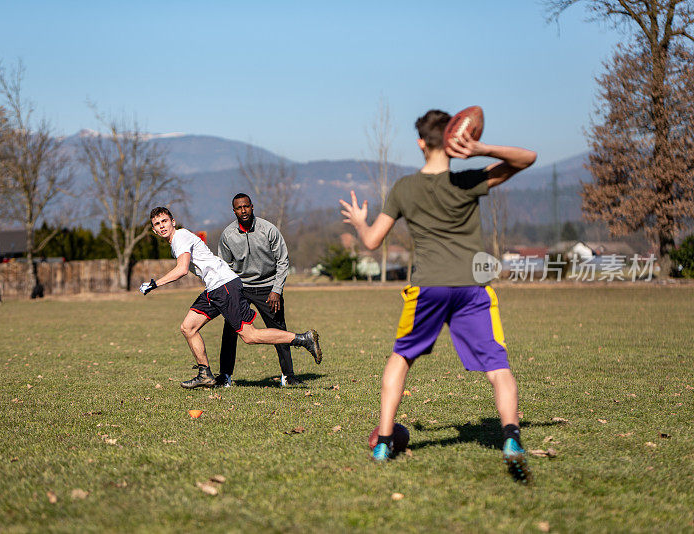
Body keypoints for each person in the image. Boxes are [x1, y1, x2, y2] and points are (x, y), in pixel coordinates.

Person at [339, 109, 536, 482]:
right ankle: (511, 439)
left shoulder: (403, 188)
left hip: (427, 288)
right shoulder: (469, 180)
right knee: (498, 367)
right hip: (472, 288)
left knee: (401, 359)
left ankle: (383, 441)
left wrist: (360, 221)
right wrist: (479, 149)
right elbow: (528, 158)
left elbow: (370, 241)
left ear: (419, 143)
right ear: (453, 139)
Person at [139, 206, 322, 389]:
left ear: (172, 222)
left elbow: (182, 269)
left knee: (250, 336)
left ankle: (302, 339)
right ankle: (205, 374)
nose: (162, 226)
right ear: (154, 230)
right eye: (157, 224)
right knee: (188, 327)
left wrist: (155, 284)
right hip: (214, 288)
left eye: (164, 221)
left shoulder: (180, 237)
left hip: (224, 286)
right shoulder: (176, 242)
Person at [216, 193, 313, 388]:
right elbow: (223, 265)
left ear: (252, 207)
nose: (243, 211)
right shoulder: (228, 235)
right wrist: (228, 293)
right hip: (239, 288)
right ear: (233, 211)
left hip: (268, 288)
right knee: (230, 332)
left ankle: (288, 376)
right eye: (238, 208)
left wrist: (276, 290)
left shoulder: (268, 229)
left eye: (246, 206)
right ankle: (225, 376)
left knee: (279, 330)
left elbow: (283, 260)